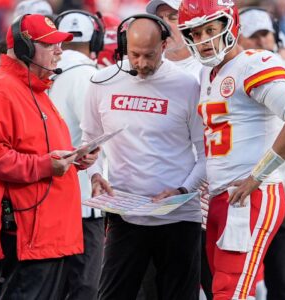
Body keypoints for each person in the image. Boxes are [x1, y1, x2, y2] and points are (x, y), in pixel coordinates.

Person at [81, 14, 206, 300]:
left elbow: (207, 153)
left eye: (149, 55)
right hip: (126, 214)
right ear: (124, 46)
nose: (141, 63)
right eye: (134, 55)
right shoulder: (102, 81)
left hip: (179, 217)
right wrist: (95, 174)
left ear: (164, 45)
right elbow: (89, 140)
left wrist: (182, 190)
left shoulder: (188, 85)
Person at [178, 0, 285, 299]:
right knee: (221, 288)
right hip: (221, 197)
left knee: (232, 292)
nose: (203, 40)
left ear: (229, 26)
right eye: (195, 33)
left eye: (210, 30)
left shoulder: (253, 63)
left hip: (250, 194)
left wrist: (258, 175)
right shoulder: (207, 75)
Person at [0, 14, 98, 299]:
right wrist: (46, 165)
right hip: (29, 234)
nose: (59, 51)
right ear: (25, 49)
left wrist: (74, 161)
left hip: (49, 233)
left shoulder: (37, 90)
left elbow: (36, 151)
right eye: (50, 44)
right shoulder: (1, 90)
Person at [147, 1, 212, 299]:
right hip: (156, 201)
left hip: (206, 198)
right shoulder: (144, 68)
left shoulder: (209, 68)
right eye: (159, 18)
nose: (166, 25)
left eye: (173, 17)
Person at [48, 10, 105, 300]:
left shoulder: (39, 71)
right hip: (84, 200)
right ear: (96, 38)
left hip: (45, 197)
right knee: (85, 286)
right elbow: (95, 139)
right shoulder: (91, 75)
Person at [239, 7, 285, 300]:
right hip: (250, 189)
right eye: (253, 36)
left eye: (265, 34)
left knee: (282, 279)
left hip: (284, 191)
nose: (261, 41)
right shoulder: (234, 75)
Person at [146, 0, 202, 82]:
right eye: (159, 19)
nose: (164, 25)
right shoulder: (144, 65)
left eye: (173, 18)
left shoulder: (207, 68)